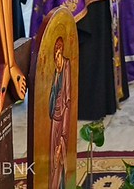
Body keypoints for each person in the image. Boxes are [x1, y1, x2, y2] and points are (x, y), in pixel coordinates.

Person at [49, 37, 71, 189]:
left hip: (62, 117)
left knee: (59, 155)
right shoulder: (56, 69)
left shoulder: (66, 64)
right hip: (54, 118)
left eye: (59, 50)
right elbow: (52, 92)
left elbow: (67, 98)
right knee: (52, 159)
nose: (57, 53)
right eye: (55, 50)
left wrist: (64, 131)